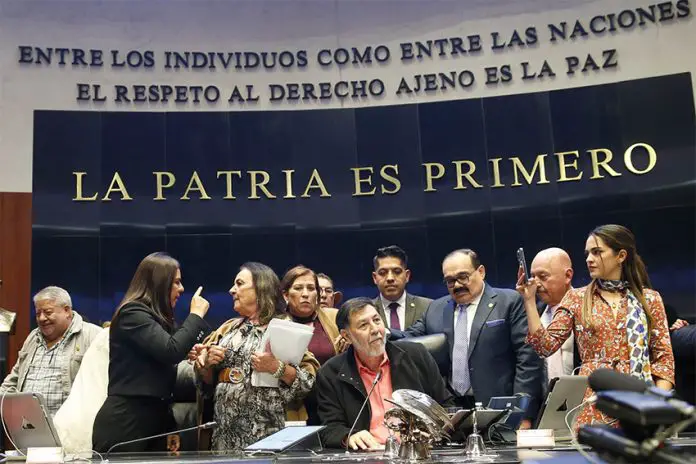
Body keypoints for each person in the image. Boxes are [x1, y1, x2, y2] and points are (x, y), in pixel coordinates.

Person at [518, 224, 675, 428]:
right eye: (587, 253)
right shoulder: (576, 298)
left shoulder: (650, 299)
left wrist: (658, 401)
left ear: (620, 256)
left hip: (641, 401)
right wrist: (529, 301)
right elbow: (544, 346)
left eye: (597, 252)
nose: (589, 259)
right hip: (593, 403)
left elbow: (664, 360)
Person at [391, 249, 543, 419]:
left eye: (463, 277)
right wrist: (383, 332)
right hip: (450, 411)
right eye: (450, 281)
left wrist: (522, 414)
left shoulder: (509, 301)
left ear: (481, 272)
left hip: (499, 410)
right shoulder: (436, 308)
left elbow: (528, 360)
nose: (456, 285)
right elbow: (410, 338)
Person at [193, 262, 319, 451]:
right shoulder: (228, 328)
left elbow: (307, 382)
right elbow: (207, 383)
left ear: (261, 288)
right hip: (225, 434)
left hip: (267, 435)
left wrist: (276, 367)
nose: (232, 290)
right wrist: (206, 365)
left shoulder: (284, 327)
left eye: (239, 283)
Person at [92, 252, 210, 453]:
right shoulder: (132, 313)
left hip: (155, 423)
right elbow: (171, 351)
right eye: (177, 283)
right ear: (159, 284)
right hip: (125, 423)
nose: (181, 289)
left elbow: (168, 357)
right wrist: (196, 314)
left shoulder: (158, 319)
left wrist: (169, 428)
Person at [316, 297, 453, 450]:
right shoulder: (330, 373)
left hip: (417, 452)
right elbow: (329, 428)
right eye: (363, 325)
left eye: (377, 320)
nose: (375, 329)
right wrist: (348, 436)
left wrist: (433, 431)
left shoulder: (416, 356)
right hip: (368, 455)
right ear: (346, 336)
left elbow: (446, 407)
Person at [0, 286, 101, 416]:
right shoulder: (33, 337)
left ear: (67, 311)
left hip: (71, 428)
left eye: (48, 312)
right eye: (38, 313)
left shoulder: (93, 336)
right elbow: (14, 379)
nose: (42, 318)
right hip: (30, 426)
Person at [53, 327, 109, 454]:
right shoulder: (105, 336)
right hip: (75, 420)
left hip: (85, 420)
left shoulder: (94, 333)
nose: (42, 317)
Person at [282, 266, 340, 366]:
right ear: (286, 295)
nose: (305, 294)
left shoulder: (334, 317)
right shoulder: (278, 324)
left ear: (317, 294)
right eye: (298, 288)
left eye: (311, 288)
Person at [371, 245, 432, 331]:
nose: (390, 278)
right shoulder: (366, 311)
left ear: (407, 276)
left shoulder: (428, 307)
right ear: (374, 277)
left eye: (397, 272)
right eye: (382, 273)